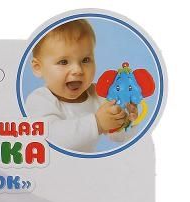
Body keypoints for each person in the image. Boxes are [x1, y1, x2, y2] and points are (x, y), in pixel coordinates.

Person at [25, 20, 136, 152]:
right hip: (52, 164)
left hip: (86, 164)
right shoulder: (39, 100)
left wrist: (126, 118)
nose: (78, 70)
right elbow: (51, 138)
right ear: (38, 68)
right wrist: (97, 123)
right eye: (63, 62)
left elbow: (119, 137)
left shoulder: (98, 95)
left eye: (85, 60)